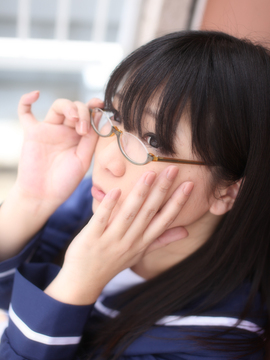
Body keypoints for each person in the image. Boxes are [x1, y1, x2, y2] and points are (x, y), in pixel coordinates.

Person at [0, 30, 269, 360]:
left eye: (153, 141)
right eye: (117, 118)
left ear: (228, 190)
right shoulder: (92, 202)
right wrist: (32, 199)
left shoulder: (219, 342)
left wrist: (78, 283)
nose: (108, 161)